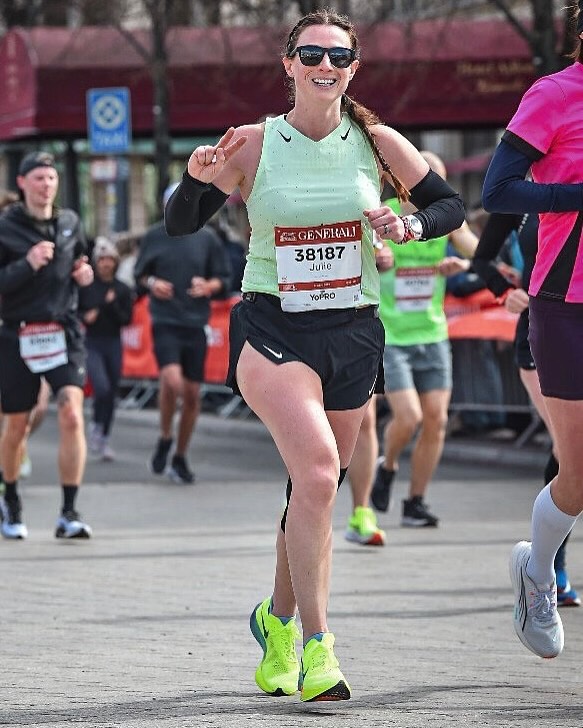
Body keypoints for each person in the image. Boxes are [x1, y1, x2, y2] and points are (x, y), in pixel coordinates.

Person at [165, 9, 465, 701]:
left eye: (338, 56)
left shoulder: (377, 142)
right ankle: (318, 650)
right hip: (274, 329)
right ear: (289, 65)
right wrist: (195, 179)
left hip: (353, 331)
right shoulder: (253, 142)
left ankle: (275, 622)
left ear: (353, 68)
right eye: (311, 54)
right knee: (323, 474)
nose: (324, 65)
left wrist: (409, 223)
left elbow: (448, 205)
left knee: (311, 490)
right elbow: (181, 223)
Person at [482, 0, 583, 659]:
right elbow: (497, 191)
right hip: (566, 300)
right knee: (578, 472)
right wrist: (575, 195)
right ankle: (537, 571)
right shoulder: (554, 94)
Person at [357, 151, 477, 532]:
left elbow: (476, 250)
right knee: (409, 417)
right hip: (393, 334)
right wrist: (378, 258)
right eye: (427, 178)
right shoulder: (384, 214)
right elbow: (359, 255)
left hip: (433, 332)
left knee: (437, 421)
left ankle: (415, 502)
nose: (433, 187)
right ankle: (388, 465)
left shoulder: (444, 219)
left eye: (438, 180)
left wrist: (464, 265)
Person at [473, 211, 580, 606]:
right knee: (566, 451)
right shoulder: (521, 195)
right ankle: (550, 567)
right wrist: (505, 292)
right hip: (543, 336)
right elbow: (481, 260)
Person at [0, 151, 94, 540]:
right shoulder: (5, 227)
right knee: (17, 424)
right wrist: (27, 263)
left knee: (71, 413)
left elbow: (80, 260)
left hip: (63, 332)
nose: (46, 185)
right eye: (38, 178)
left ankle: (69, 513)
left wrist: (83, 273)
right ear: (22, 183)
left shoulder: (70, 222)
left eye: (51, 178)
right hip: (17, 334)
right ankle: (11, 499)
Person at [134, 183, 232, 484]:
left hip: (195, 322)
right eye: (178, 202)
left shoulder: (208, 239)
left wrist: (208, 286)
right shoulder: (154, 236)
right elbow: (139, 275)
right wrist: (153, 284)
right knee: (172, 382)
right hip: (165, 320)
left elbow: (225, 278)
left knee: (191, 394)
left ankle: (179, 455)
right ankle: (165, 435)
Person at [78, 236, 134, 461]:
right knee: (101, 387)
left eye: (110, 259)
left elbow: (126, 319)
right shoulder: (88, 287)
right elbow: (79, 312)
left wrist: (110, 305)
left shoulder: (122, 288)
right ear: (96, 262)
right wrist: (87, 315)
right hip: (92, 342)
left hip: (113, 342)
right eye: (102, 260)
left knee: (111, 392)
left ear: (116, 262)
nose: (106, 264)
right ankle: (96, 424)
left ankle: (103, 436)